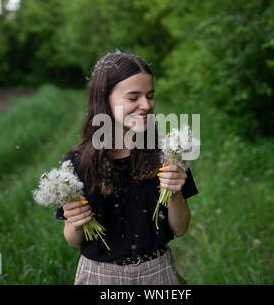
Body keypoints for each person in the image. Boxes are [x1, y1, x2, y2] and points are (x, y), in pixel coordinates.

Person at [55, 50, 198, 285]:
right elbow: (73, 240)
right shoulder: (77, 162)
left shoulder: (169, 151)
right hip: (98, 276)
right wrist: (75, 220)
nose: (146, 105)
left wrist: (175, 193)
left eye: (150, 96)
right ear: (104, 99)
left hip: (157, 272)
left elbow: (180, 228)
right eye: (133, 98)